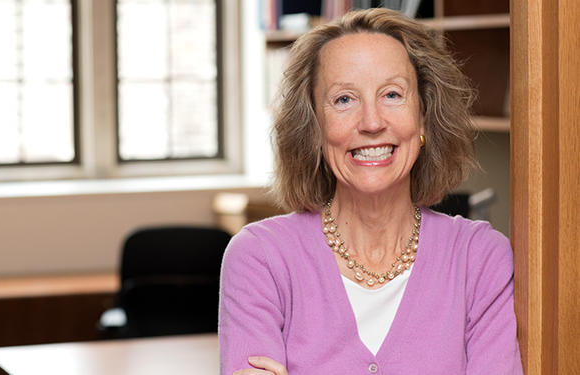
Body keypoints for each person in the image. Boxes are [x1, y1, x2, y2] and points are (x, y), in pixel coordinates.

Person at [219, 8, 522, 375]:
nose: (373, 122)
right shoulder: (260, 258)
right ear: (314, 128)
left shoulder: (480, 259)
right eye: (344, 99)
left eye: (392, 94)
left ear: (424, 116)